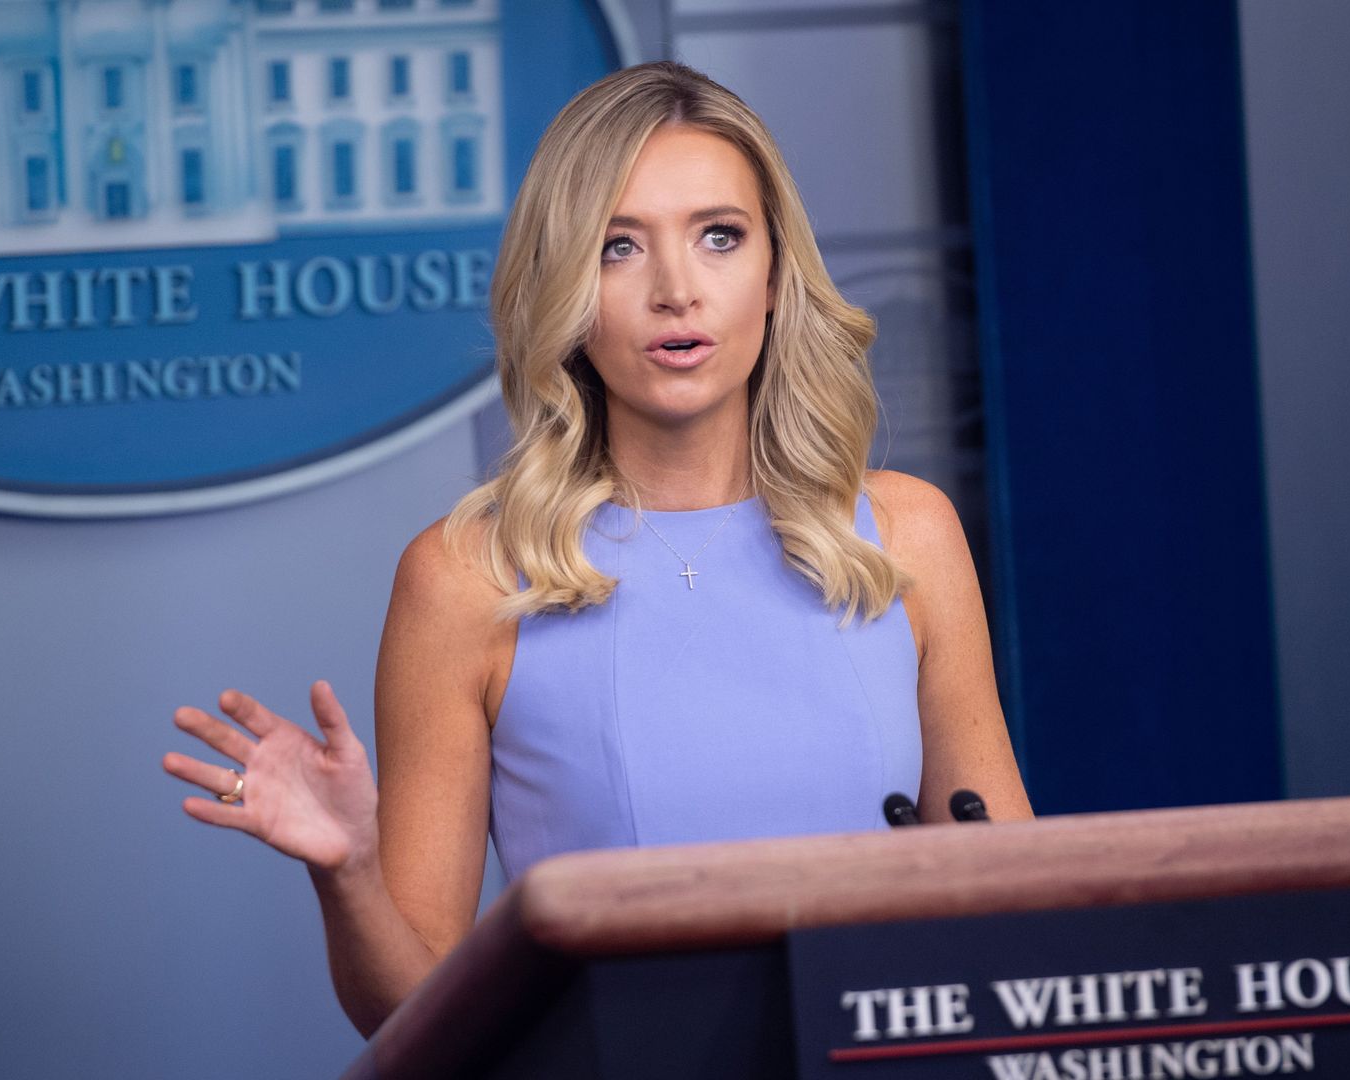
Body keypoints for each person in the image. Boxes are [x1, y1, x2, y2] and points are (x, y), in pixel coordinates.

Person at [161, 60, 1031, 1036]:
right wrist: (348, 873)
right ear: (565, 286)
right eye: (619, 247)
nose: (676, 291)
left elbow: (1010, 901)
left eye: (719, 237)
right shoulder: (466, 579)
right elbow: (414, 1017)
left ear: (778, 270)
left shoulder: (908, 535)